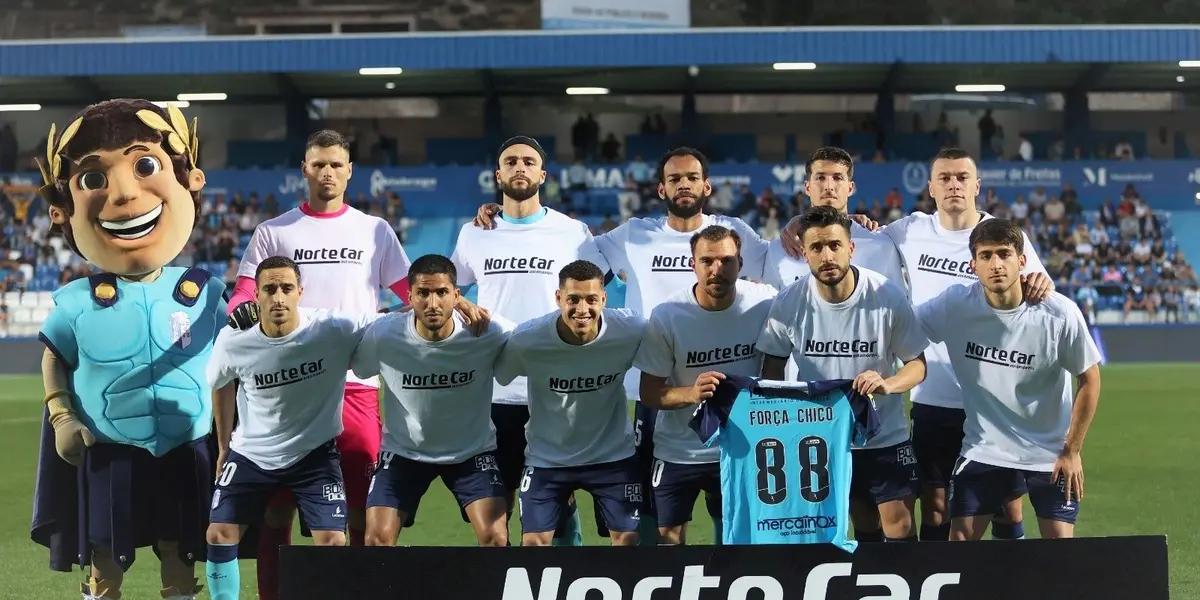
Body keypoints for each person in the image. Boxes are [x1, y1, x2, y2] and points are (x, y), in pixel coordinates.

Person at [225, 129, 483, 599]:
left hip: (354, 385)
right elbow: (245, 290)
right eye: (318, 163)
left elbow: (413, 291)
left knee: (363, 506)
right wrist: (237, 308)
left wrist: (457, 304)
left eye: (335, 164)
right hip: (284, 389)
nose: (327, 172)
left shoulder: (374, 230)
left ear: (349, 171)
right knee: (276, 510)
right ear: (304, 169)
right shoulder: (274, 231)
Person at [473, 146, 774, 543]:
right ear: (661, 189)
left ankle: (728, 575)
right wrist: (506, 216)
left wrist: (835, 223)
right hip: (652, 389)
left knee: (732, 498)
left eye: (691, 177)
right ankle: (648, 576)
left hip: (728, 387)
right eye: (674, 179)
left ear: (707, 185)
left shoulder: (734, 234)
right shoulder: (633, 235)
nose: (684, 185)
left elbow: (783, 264)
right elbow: (572, 259)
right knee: (652, 503)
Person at [32, 99, 225, 600]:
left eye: (145, 165)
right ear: (61, 209)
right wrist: (61, 417)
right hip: (109, 451)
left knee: (181, 554)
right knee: (104, 558)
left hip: (187, 449)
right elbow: (55, 359)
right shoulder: (75, 302)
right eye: (93, 179)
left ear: (192, 180)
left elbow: (237, 364)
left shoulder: (206, 292)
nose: (124, 193)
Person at [874, 147, 1054, 542]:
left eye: (961, 177)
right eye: (945, 178)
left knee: (1007, 506)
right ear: (931, 188)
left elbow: (1039, 285)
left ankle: (1010, 583)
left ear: (977, 185)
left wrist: (1045, 282)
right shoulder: (907, 231)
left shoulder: (1002, 236)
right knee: (935, 505)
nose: (953, 184)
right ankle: (937, 584)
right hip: (934, 395)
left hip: (991, 399)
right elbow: (859, 239)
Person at [452, 135, 609, 546]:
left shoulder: (572, 232)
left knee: (560, 497)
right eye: (510, 161)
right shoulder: (474, 233)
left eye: (527, 161)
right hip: (497, 390)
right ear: (498, 174)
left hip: (555, 388)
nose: (519, 167)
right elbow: (451, 287)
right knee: (496, 504)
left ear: (542, 174)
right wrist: (463, 307)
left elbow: (593, 297)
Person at [915, 219, 1101, 540]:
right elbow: (901, 329)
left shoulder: (1058, 314)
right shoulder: (954, 305)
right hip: (985, 448)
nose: (996, 264)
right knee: (957, 545)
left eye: (1004, 254)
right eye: (986, 256)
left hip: (1049, 453)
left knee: (1061, 552)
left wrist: (1072, 450)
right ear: (973, 265)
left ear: (1022, 261)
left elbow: (1090, 379)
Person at [205, 256, 373, 599]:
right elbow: (220, 383)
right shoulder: (235, 340)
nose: (278, 297)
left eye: (285, 288)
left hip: (314, 454)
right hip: (252, 454)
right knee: (219, 533)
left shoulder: (332, 329)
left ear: (300, 292)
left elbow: (387, 323)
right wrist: (224, 446)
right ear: (257, 297)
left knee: (332, 540)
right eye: (269, 289)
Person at [758, 206, 929, 543]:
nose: (827, 255)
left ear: (851, 248)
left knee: (900, 524)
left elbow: (918, 365)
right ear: (804, 254)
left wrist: (888, 383)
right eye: (817, 248)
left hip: (884, 433)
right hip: (824, 436)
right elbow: (772, 367)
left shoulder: (887, 296)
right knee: (861, 519)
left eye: (835, 245)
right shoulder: (788, 302)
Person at [351, 255, 511, 547]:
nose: (433, 303)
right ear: (409, 296)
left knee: (496, 538)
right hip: (403, 453)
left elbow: (532, 342)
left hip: (471, 453)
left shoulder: (488, 331)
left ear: (457, 296)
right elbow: (360, 368)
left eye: (442, 293)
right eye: (423, 293)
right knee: (375, 539)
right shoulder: (385, 334)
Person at [634, 225, 776, 544]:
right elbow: (649, 392)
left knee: (739, 541)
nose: (717, 270)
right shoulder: (668, 315)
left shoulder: (764, 302)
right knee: (667, 541)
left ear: (740, 263)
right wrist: (692, 394)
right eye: (707, 261)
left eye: (727, 261)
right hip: (678, 450)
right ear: (692, 264)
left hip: (739, 450)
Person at [494, 260, 645, 546]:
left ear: (604, 298)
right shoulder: (529, 339)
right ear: (558, 298)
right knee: (534, 544)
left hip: (612, 457)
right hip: (547, 458)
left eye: (591, 300)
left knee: (628, 542)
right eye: (573, 299)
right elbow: (501, 375)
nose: (582, 309)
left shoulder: (630, 330)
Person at [765, 147, 905, 290]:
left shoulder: (881, 246)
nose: (829, 186)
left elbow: (898, 308)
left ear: (850, 188)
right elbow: (771, 309)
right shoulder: (780, 250)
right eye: (820, 178)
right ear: (807, 187)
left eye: (837, 178)